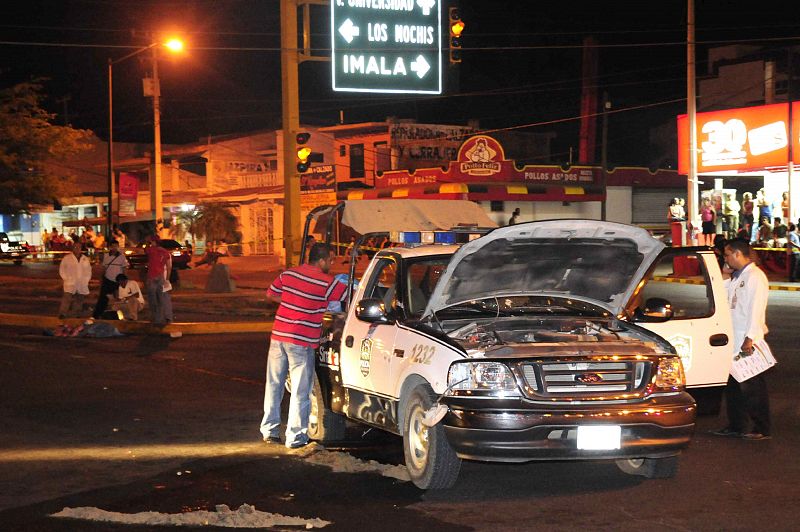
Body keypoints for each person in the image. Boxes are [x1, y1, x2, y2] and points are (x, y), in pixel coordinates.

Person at [259, 243, 346, 449]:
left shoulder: (289, 274)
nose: (332, 264)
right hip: (301, 340)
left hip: (278, 336)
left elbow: (271, 294)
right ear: (322, 260)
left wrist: (291, 301)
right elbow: (347, 297)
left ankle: (269, 431)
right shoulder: (327, 282)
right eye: (331, 260)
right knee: (301, 389)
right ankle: (296, 437)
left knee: (274, 384)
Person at [712, 238, 771, 440]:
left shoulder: (755, 277)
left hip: (746, 341)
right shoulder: (738, 277)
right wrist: (725, 276)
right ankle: (736, 425)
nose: (725, 258)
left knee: (753, 388)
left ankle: (762, 427)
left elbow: (756, 309)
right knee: (734, 388)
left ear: (737, 253)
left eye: (727, 254)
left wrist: (750, 338)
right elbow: (724, 298)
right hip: (733, 340)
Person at [92, 239, 128, 319]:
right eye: (113, 246)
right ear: (110, 247)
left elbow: (124, 268)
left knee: (117, 299)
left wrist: (125, 279)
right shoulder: (106, 256)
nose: (114, 248)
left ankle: (117, 316)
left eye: (116, 246)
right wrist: (101, 278)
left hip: (117, 281)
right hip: (107, 280)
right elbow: (104, 268)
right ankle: (97, 315)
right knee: (102, 298)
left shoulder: (121, 256)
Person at [58, 241, 92, 319]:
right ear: (72, 248)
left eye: (79, 247)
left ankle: (75, 314)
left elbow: (88, 270)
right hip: (70, 282)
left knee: (79, 299)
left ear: (81, 248)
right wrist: (66, 278)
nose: (77, 249)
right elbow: (62, 270)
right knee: (67, 298)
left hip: (81, 283)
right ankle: (62, 313)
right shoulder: (67, 258)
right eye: (75, 247)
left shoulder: (85, 259)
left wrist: (86, 280)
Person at [145, 236, 174, 325]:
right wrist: (167, 280)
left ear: (154, 242)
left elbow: (145, 250)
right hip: (161, 277)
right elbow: (169, 267)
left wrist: (147, 242)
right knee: (163, 299)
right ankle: (166, 318)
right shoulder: (166, 253)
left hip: (152, 277)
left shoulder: (151, 250)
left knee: (153, 300)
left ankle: (156, 319)